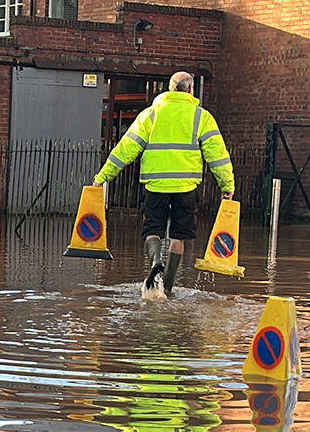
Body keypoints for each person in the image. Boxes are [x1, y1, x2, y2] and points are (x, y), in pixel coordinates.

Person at [93, 71, 235, 292]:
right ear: (191, 90)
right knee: (179, 235)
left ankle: (155, 260)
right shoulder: (202, 117)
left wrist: (103, 177)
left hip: (155, 185)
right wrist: (227, 186)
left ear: (169, 88)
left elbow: (125, 149)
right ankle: (168, 286)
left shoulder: (150, 114)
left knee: (152, 230)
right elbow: (218, 156)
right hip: (186, 187)